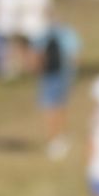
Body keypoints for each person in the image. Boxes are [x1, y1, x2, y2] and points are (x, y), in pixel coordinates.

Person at [35, 16, 82, 160]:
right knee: (57, 107)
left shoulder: (49, 34)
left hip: (56, 75)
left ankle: (56, 139)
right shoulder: (62, 33)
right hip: (58, 75)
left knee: (53, 108)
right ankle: (58, 138)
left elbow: (38, 56)